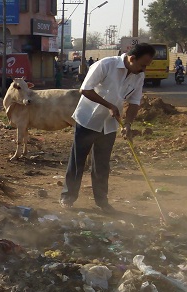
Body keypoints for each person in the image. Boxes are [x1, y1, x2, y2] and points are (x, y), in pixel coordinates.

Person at [60, 43, 155, 213]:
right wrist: (110, 105)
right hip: (88, 119)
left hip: (110, 124)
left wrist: (127, 124)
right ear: (132, 58)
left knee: (102, 164)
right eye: (142, 65)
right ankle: (68, 197)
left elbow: (134, 102)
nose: (144, 69)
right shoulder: (105, 65)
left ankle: (102, 201)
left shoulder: (138, 75)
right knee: (78, 160)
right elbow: (85, 89)